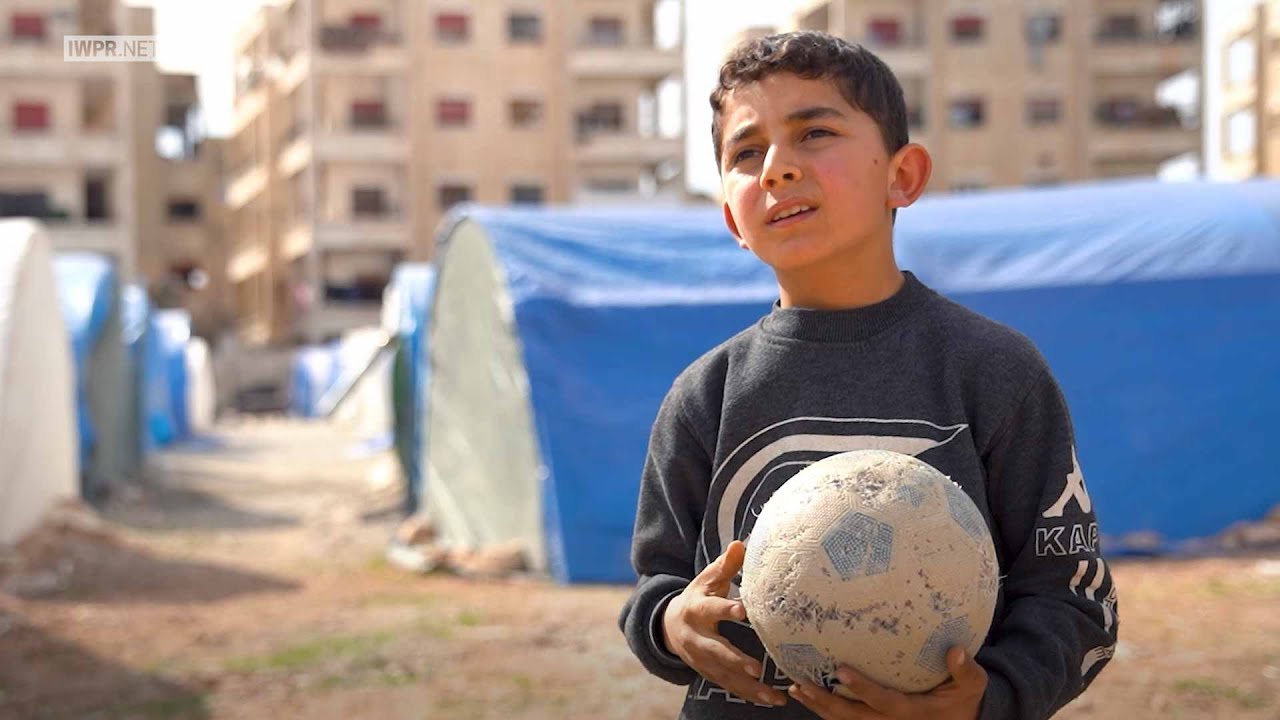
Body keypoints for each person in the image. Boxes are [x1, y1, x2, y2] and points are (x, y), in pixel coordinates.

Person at [618, 31, 1118, 720]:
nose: (776, 169)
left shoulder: (995, 372)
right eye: (745, 152)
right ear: (733, 217)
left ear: (903, 176)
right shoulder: (705, 394)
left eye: (814, 132)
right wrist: (672, 622)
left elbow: (1075, 599)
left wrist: (990, 697)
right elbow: (657, 585)